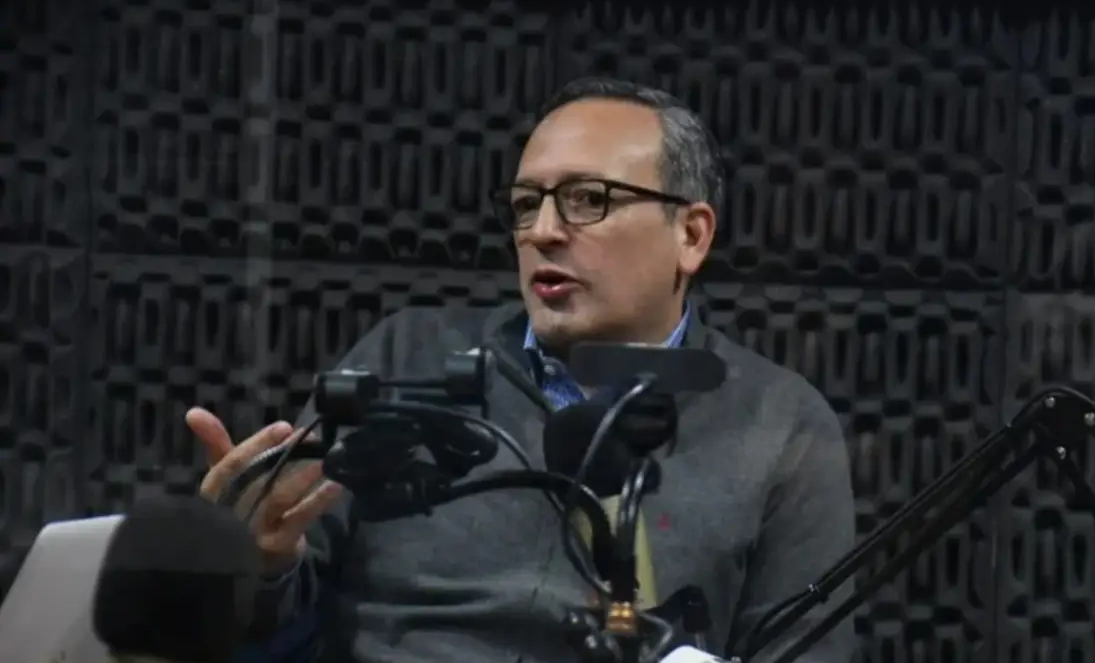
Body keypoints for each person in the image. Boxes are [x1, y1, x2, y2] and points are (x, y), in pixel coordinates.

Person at [191, 77, 857, 663]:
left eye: (588, 199)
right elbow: (265, 626)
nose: (541, 231)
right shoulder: (409, 356)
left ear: (691, 235)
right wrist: (260, 561)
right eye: (525, 204)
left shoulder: (781, 424)